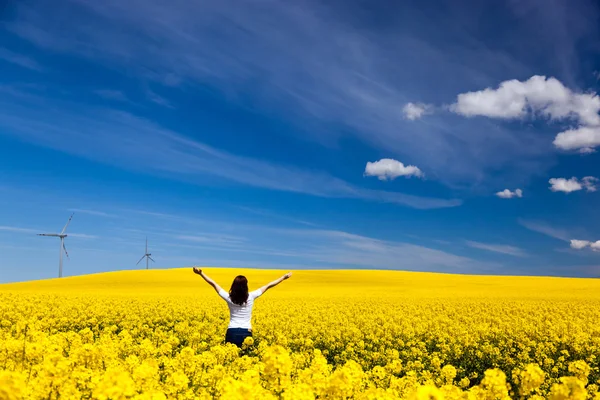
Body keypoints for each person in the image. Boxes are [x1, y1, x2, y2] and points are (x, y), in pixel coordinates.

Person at [192, 267, 292, 348]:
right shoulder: (251, 296)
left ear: (233, 285)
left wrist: (201, 273)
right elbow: (269, 285)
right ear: (246, 286)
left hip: (232, 331)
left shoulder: (229, 297)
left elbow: (213, 284)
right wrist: (283, 277)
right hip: (246, 332)